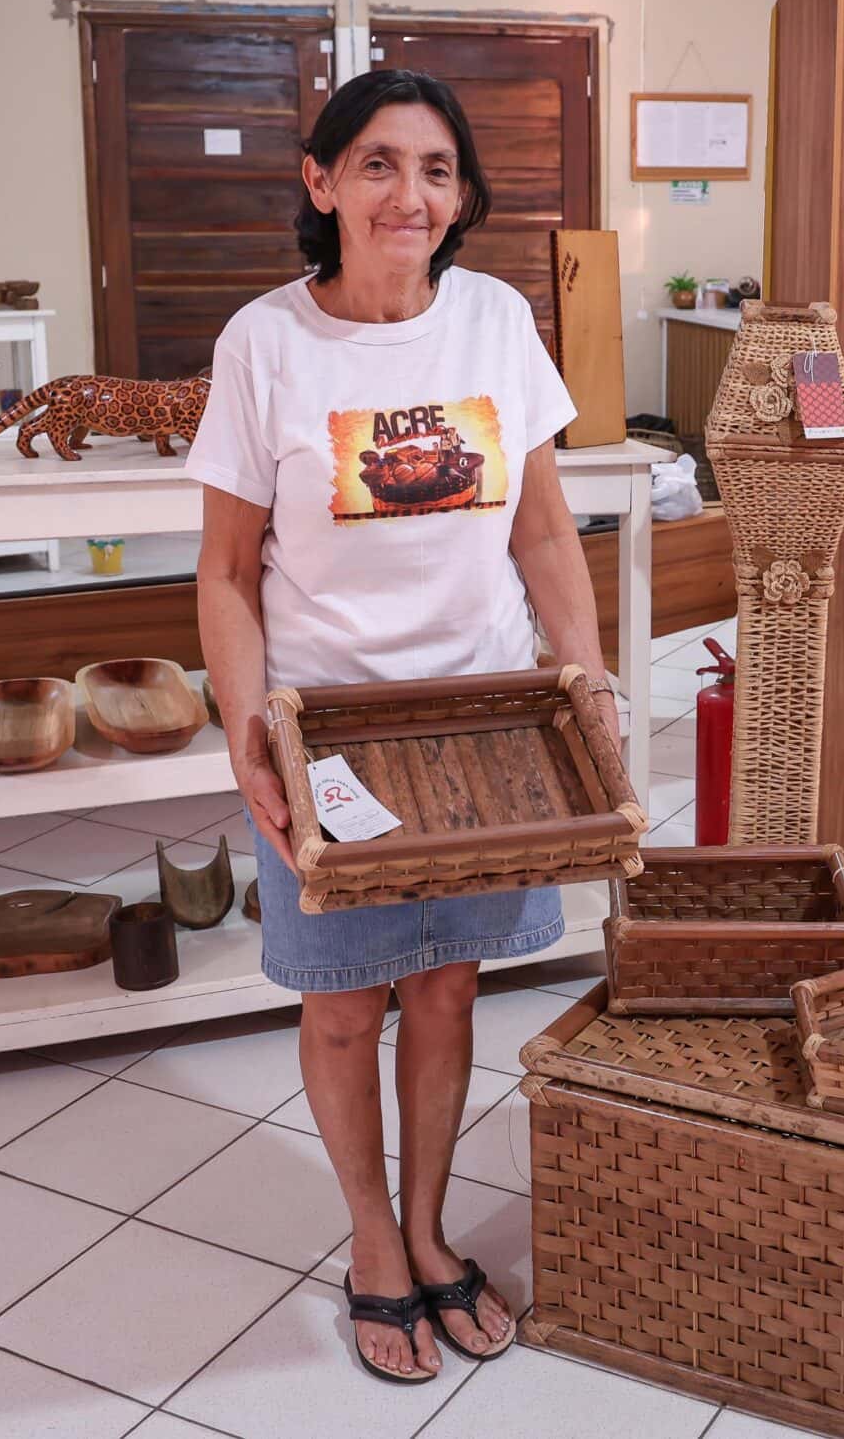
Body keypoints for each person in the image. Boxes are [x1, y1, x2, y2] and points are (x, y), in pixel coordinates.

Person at [188, 69, 614, 1385]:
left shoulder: (495, 319)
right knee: (340, 1004)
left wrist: (588, 677)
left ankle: (429, 1229)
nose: (407, 195)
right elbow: (226, 570)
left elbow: (543, 530)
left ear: (462, 195)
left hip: (484, 722)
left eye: (435, 169)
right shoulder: (265, 342)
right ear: (320, 181)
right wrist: (247, 728)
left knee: (445, 984)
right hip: (327, 732)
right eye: (376, 163)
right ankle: (372, 1239)